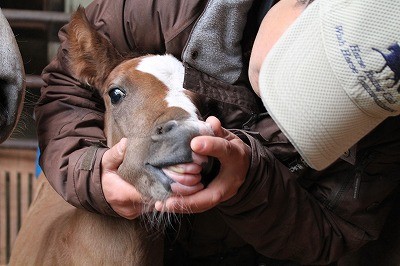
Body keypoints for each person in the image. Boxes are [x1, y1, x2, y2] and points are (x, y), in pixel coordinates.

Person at [34, 0, 400, 265]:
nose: (281, 103)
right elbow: (69, 76)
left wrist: (250, 182)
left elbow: (336, 229)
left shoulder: (383, 131)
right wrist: (92, 174)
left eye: (324, 104)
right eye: (293, 74)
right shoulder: (163, 7)